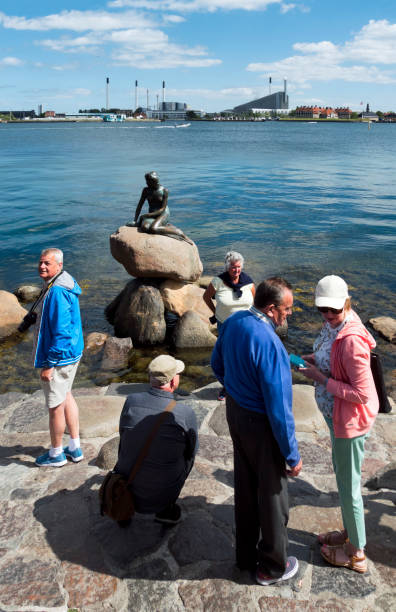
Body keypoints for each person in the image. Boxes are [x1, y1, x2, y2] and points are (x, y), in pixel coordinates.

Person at [211, 278, 302, 586]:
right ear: (271, 308)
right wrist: (291, 454)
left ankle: (245, 556)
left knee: (246, 487)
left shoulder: (235, 320)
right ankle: (274, 567)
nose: (289, 314)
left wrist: (234, 388)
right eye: (287, 309)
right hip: (261, 423)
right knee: (274, 495)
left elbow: (217, 363)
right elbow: (279, 408)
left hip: (236, 413)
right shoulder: (269, 342)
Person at [300, 275, 378, 574]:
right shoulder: (335, 326)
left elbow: (360, 394)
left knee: (349, 488)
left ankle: (357, 553)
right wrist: (313, 359)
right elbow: (330, 355)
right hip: (337, 419)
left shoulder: (352, 341)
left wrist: (320, 379)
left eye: (334, 310)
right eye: (323, 310)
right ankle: (349, 534)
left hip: (350, 423)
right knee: (345, 481)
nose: (329, 316)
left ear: (347, 303)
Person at [114, 354, 198, 526]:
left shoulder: (131, 401)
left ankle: (124, 507)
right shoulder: (184, 413)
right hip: (162, 490)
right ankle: (165, 509)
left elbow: (123, 433)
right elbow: (192, 451)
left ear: (150, 378)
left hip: (127, 481)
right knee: (188, 455)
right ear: (174, 381)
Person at [34, 248, 84, 467]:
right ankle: (74, 447)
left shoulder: (56, 292)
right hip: (73, 353)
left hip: (60, 358)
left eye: (47, 263)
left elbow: (62, 333)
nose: (42, 266)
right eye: (41, 262)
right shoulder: (63, 283)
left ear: (59, 266)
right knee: (66, 396)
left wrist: (49, 365)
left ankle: (56, 454)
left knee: (55, 407)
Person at [203, 251, 255, 400]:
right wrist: (215, 312)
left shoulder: (249, 283)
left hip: (246, 327)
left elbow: (256, 304)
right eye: (233, 267)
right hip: (225, 326)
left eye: (238, 267)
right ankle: (227, 386)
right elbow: (206, 297)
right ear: (227, 267)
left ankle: (246, 384)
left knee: (245, 357)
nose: (236, 270)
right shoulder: (217, 281)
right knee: (225, 358)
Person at [127, 171, 193, 244]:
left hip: (163, 213)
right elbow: (140, 205)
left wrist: (146, 215)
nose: (146, 183)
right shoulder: (146, 190)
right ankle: (163, 226)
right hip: (152, 214)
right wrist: (135, 220)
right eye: (147, 181)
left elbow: (162, 209)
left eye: (148, 182)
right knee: (145, 227)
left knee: (153, 229)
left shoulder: (164, 191)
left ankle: (180, 233)